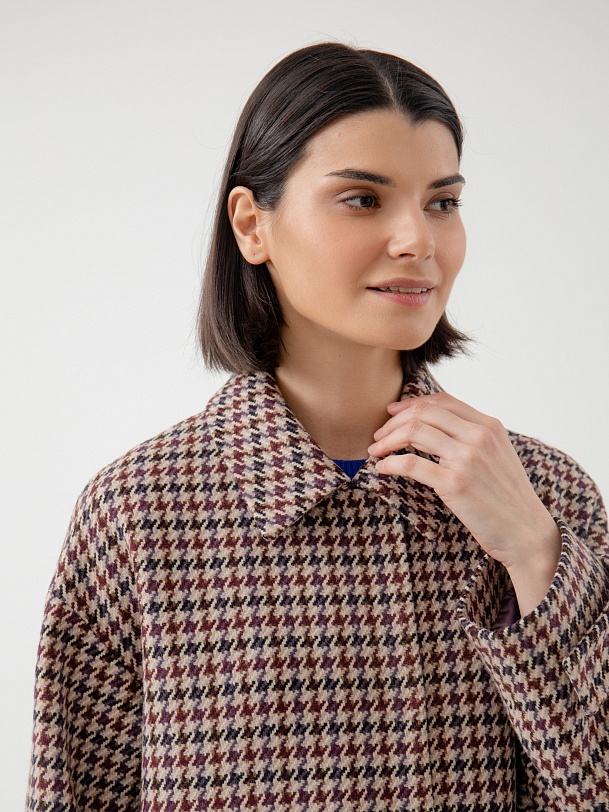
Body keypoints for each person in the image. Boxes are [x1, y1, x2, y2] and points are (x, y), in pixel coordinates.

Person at [26, 42, 608, 811]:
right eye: (362, 199)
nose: (417, 240)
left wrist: (534, 552)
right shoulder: (137, 516)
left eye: (441, 202)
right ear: (251, 225)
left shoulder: (543, 495)